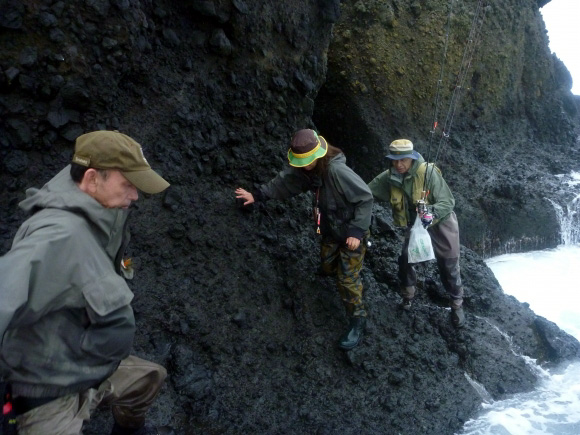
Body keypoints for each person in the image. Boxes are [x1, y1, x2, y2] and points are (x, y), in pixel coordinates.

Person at [0, 131, 171, 434]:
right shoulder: (58, 238)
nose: (135, 196)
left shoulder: (105, 207)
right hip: (50, 391)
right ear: (92, 178)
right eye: (128, 185)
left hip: (91, 369)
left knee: (148, 378)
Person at [235, 129, 374, 350]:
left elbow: (366, 199)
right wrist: (257, 195)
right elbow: (286, 181)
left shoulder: (337, 171)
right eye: (302, 162)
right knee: (327, 265)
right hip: (330, 229)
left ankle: (358, 319)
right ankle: (335, 271)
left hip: (351, 233)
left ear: (318, 155)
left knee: (347, 279)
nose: (304, 165)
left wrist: (356, 232)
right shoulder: (308, 171)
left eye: (307, 161)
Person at [368, 139, 466, 328]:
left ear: (412, 158)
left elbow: (448, 202)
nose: (399, 164)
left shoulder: (428, 173)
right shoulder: (389, 176)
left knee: (448, 263)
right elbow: (366, 190)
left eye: (403, 160)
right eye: (394, 160)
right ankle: (407, 297)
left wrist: (431, 212)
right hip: (415, 226)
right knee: (405, 259)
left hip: (441, 223)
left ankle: (456, 304)